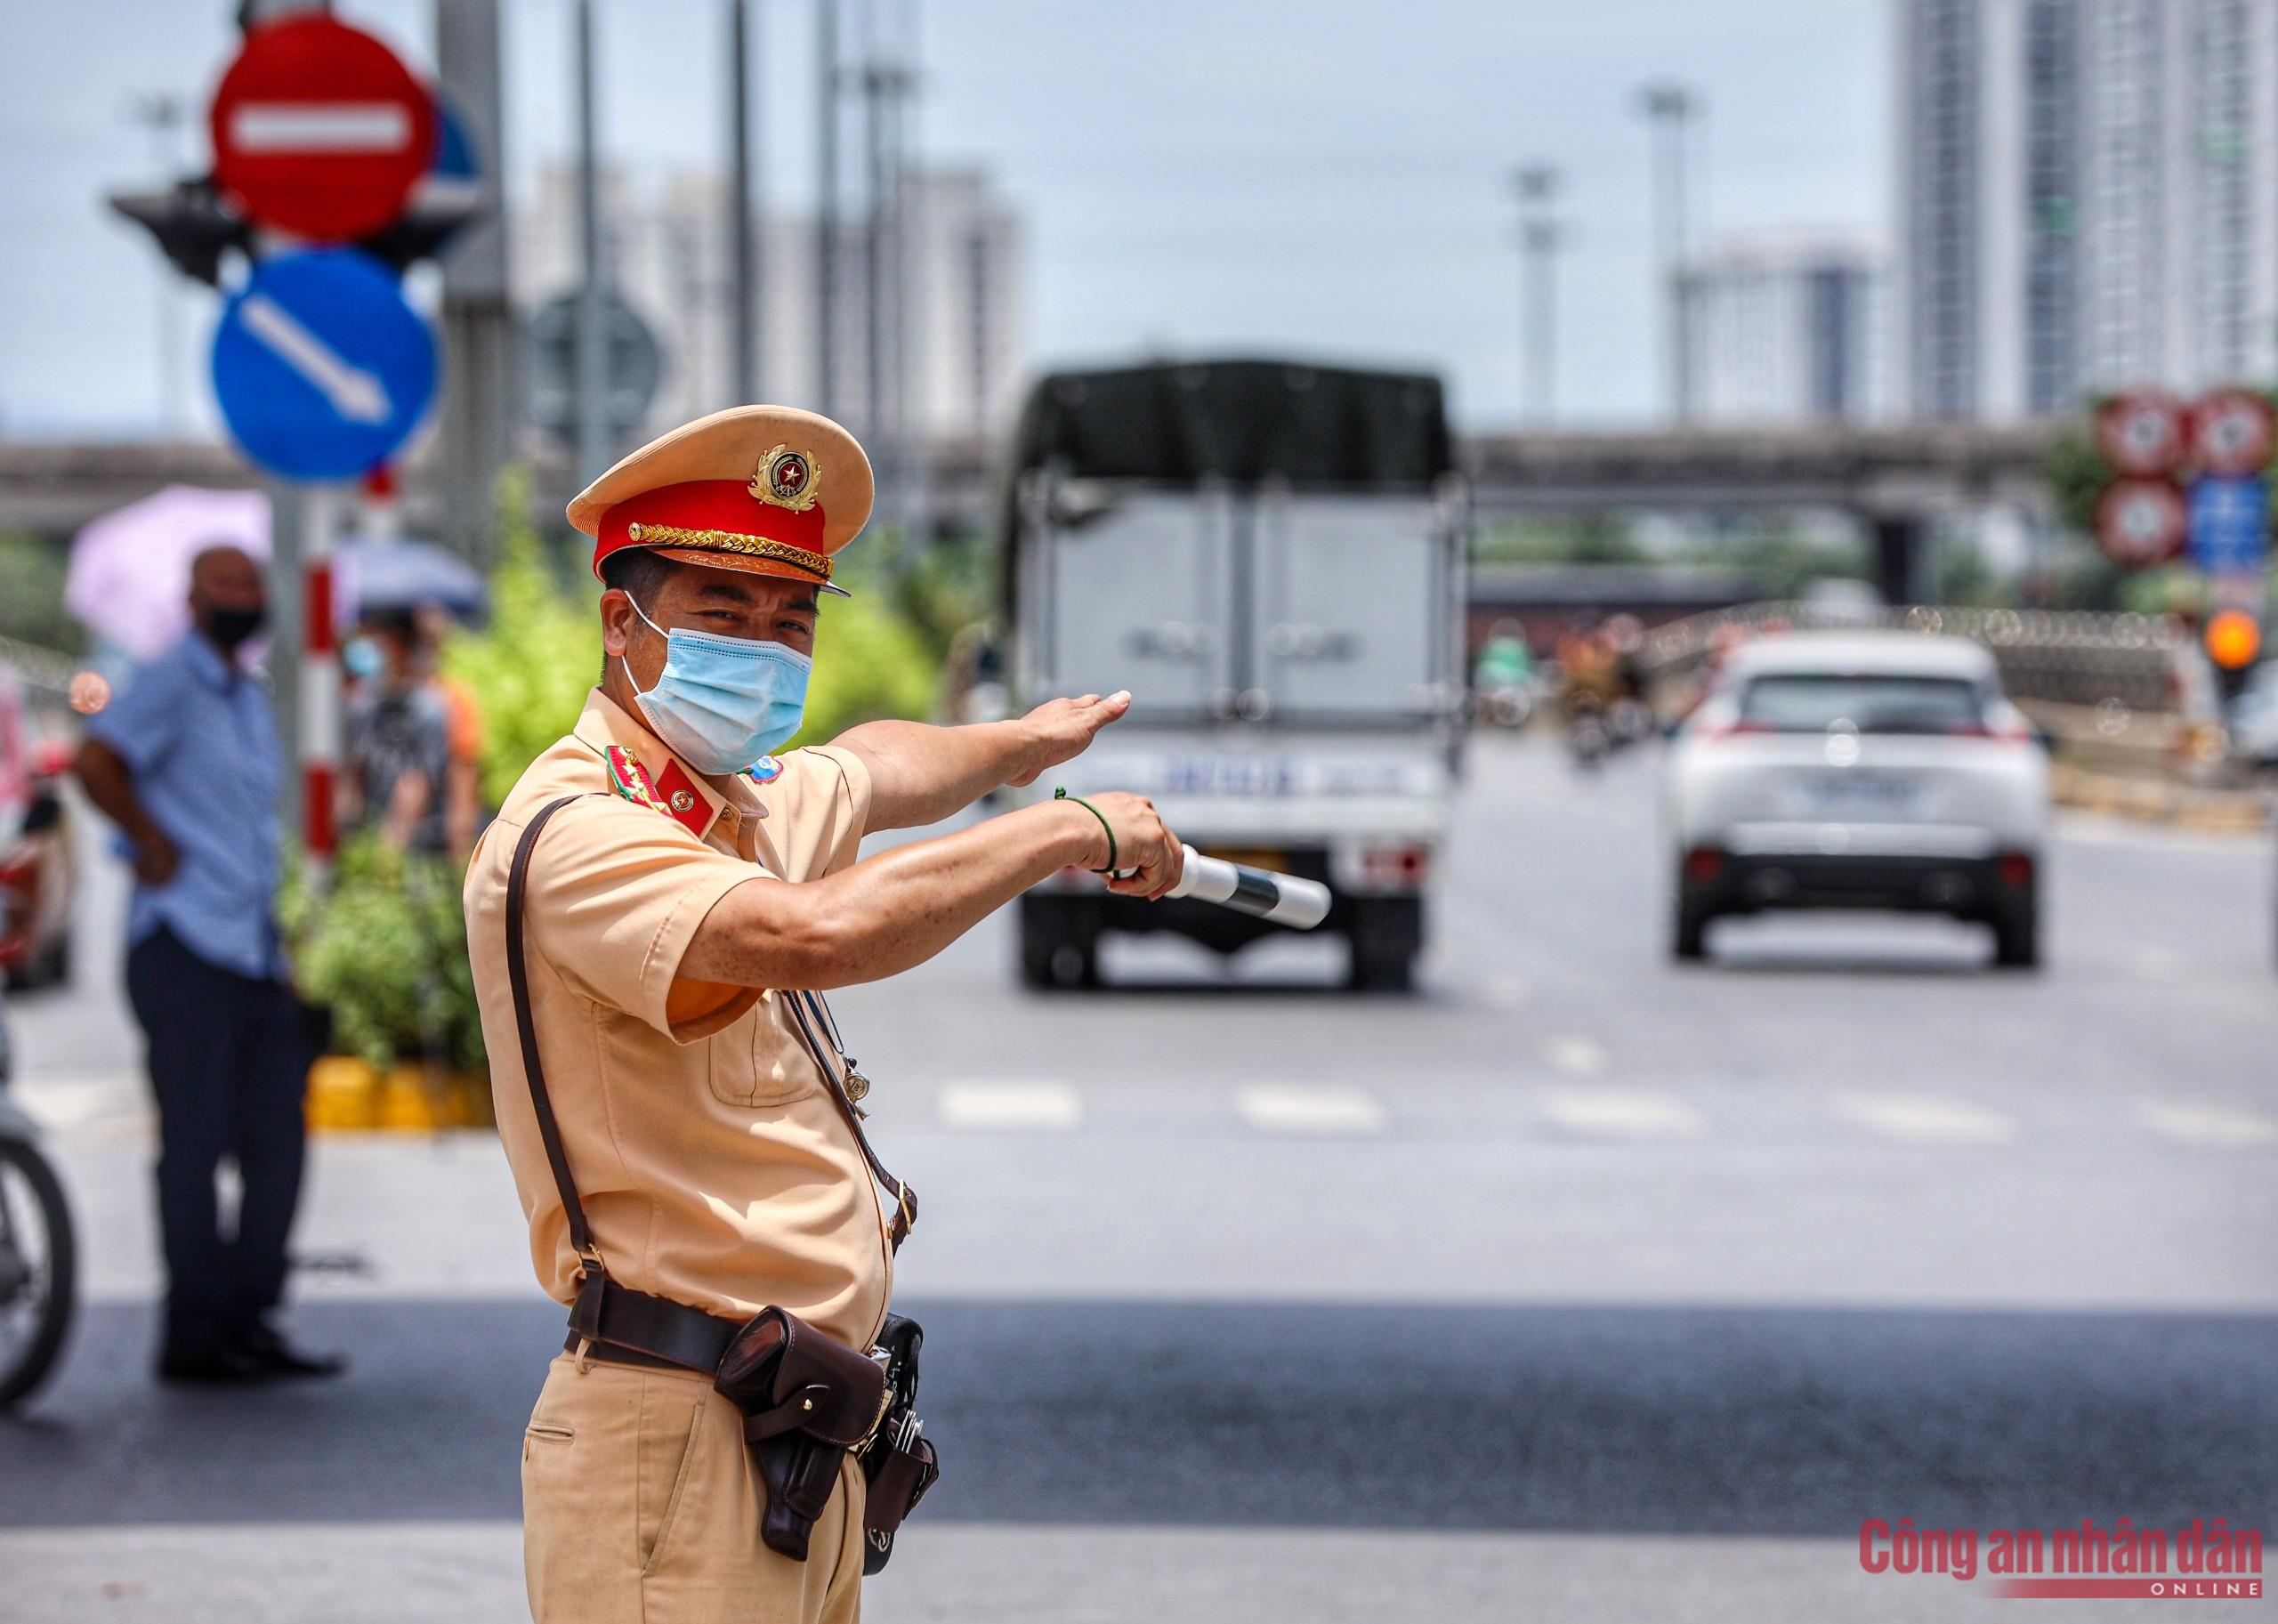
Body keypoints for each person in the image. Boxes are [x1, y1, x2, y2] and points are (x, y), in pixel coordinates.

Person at [463, 406, 1183, 1623]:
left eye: (789, 624)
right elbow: (815, 935)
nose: (762, 649)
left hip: (783, 1436)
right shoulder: (582, 832)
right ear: (619, 621)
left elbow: (868, 766)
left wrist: (1018, 744)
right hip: (672, 1434)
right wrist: (1068, 827)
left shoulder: (719, 805)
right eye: (721, 615)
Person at [74, 545, 343, 1385]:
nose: (241, 599)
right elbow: (94, 760)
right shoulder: (169, 681)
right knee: (194, 1146)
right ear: (193, 599)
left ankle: (248, 1316)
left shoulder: (243, 693)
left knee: (278, 1141)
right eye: (225, 586)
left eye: (251, 586)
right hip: (184, 946)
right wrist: (148, 841)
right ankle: (192, 1333)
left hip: (248, 949)